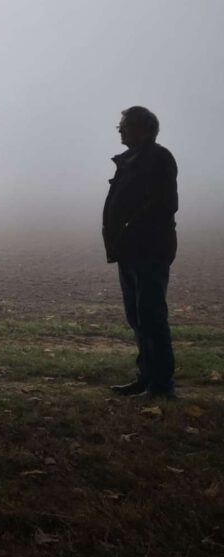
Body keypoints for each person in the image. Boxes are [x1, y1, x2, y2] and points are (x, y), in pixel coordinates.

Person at [103, 106, 178, 400]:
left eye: (124, 125)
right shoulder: (133, 160)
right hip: (131, 250)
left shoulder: (158, 158)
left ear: (143, 128)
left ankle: (161, 385)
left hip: (149, 249)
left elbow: (164, 204)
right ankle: (146, 377)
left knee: (151, 317)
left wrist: (131, 228)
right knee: (137, 317)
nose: (120, 130)